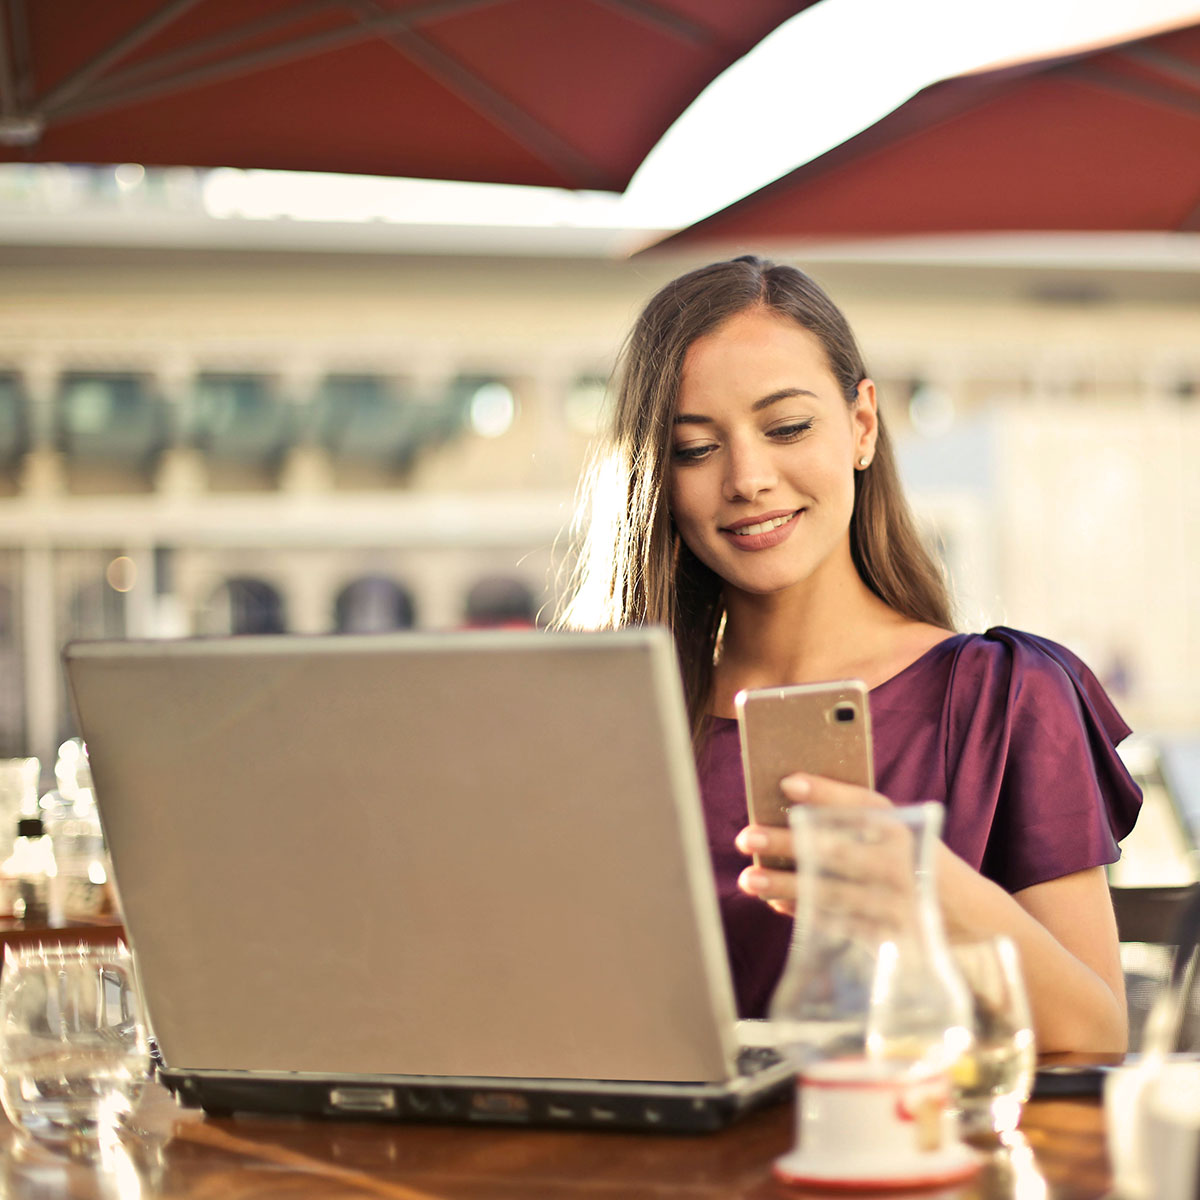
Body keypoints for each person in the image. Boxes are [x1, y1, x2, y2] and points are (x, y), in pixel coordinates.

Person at [560, 255, 1142, 1053]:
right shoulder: (603, 718)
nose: (749, 479)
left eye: (787, 427)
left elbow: (1098, 1033)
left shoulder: (1003, 695)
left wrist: (921, 885)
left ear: (861, 425)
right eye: (695, 448)